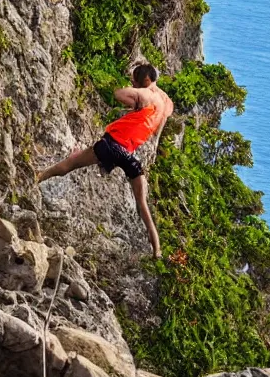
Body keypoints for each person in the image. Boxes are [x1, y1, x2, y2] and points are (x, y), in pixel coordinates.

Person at [37, 63, 173, 258]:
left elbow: (119, 93)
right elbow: (167, 110)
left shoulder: (145, 95)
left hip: (112, 145)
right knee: (142, 204)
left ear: (144, 81)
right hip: (128, 156)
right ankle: (157, 250)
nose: (132, 84)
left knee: (71, 163)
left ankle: (39, 177)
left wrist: (136, 97)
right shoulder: (164, 102)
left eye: (135, 81)